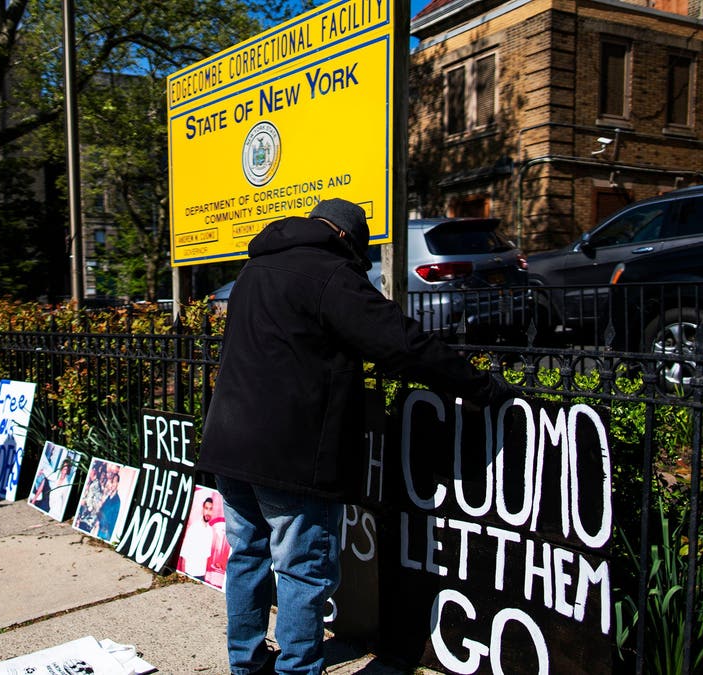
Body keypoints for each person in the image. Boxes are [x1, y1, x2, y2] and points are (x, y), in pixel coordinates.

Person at [197, 199, 518, 675]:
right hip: (292, 455)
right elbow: (401, 342)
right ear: (347, 239)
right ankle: (297, 669)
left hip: (229, 444)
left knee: (247, 557)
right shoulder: (329, 274)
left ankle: (246, 664)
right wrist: (480, 386)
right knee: (302, 570)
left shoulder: (255, 270)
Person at [95, 469, 123, 540]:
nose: (112, 484)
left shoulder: (117, 501)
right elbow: (101, 511)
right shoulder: (108, 497)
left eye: (114, 482)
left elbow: (112, 520)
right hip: (100, 529)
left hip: (106, 533)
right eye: (112, 482)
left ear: (118, 484)